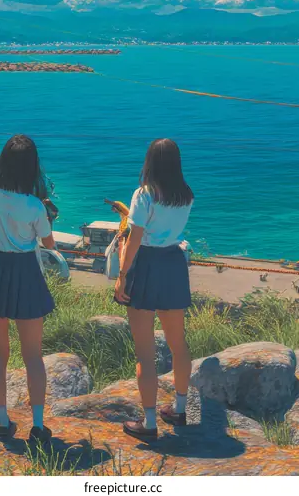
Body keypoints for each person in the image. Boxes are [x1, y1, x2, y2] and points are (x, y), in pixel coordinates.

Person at [0, 135, 56, 445]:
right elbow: (48, 243)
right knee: (33, 355)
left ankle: (4, 423)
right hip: (25, 271)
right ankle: (37, 425)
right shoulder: (35, 205)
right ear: (31, 168)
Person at [114, 138, 194, 441]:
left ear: (150, 161)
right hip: (173, 264)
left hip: (146, 265)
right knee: (178, 343)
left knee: (145, 352)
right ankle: (180, 409)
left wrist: (122, 275)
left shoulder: (144, 194)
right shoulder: (186, 195)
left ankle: (149, 423)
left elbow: (134, 239)